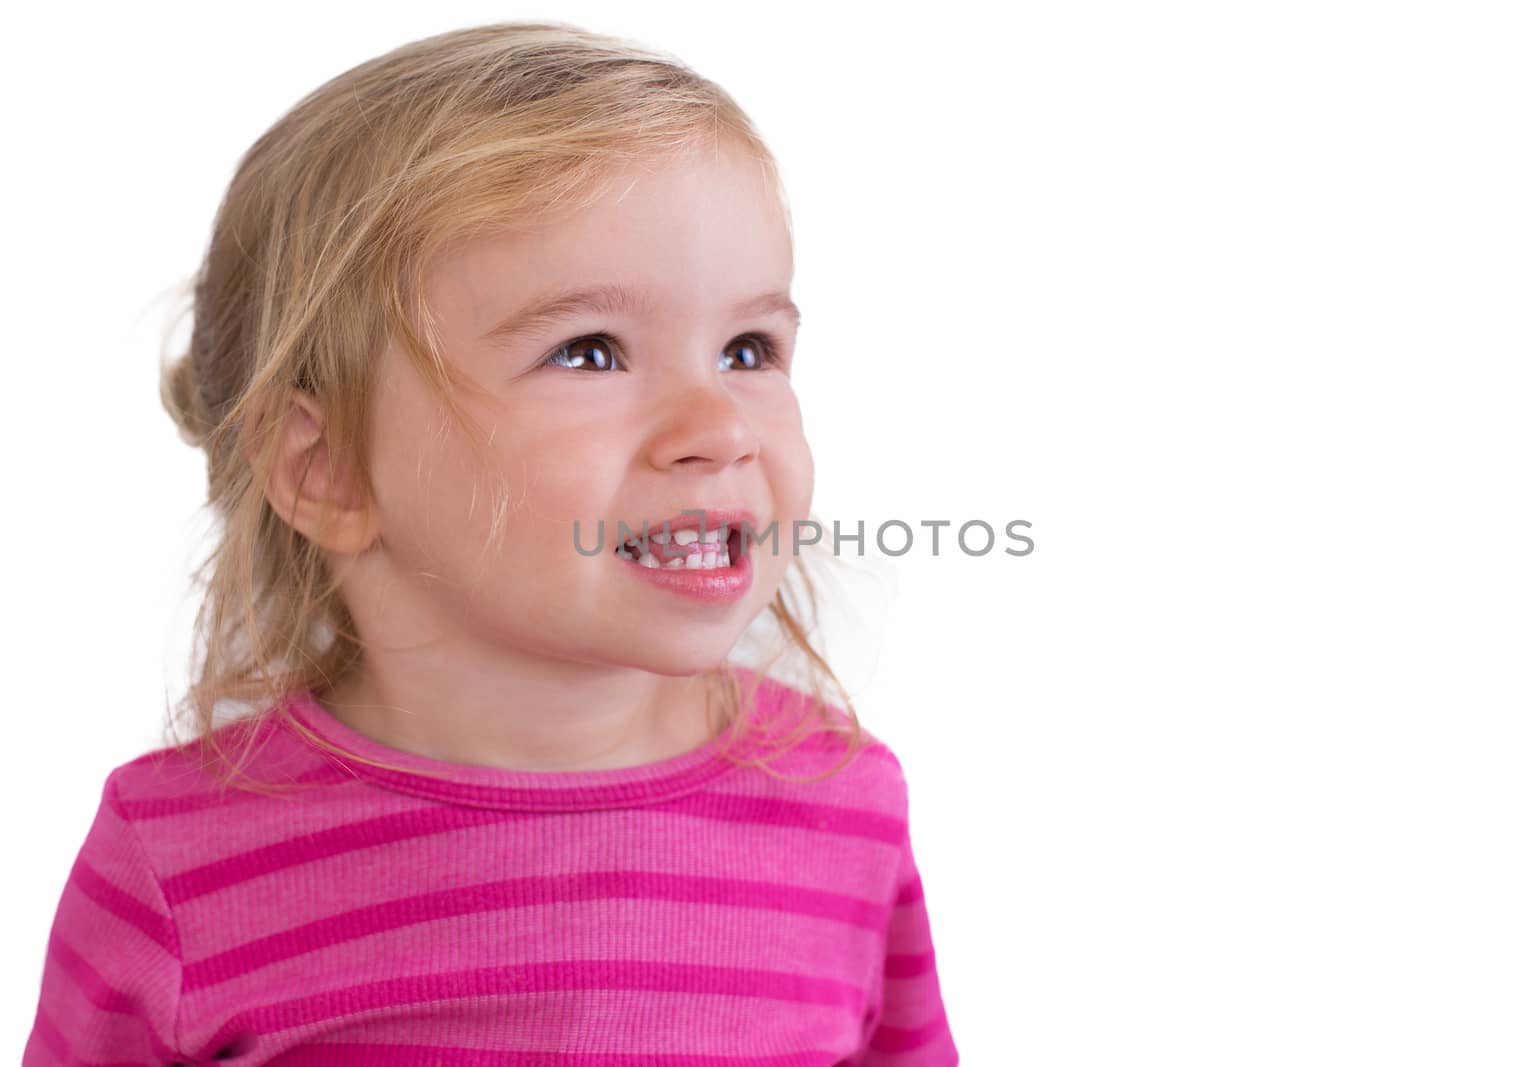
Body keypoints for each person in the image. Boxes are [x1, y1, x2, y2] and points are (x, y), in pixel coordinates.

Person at [22, 20, 957, 1065]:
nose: (722, 429)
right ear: (324, 467)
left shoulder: (842, 803)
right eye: (590, 351)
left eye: (749, 348)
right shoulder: (177, 863)